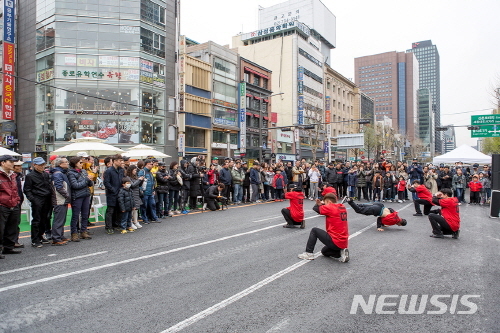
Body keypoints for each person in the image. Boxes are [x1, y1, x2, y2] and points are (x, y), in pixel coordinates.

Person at [297, 193, 349, 262]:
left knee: (314, 230)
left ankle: (308, 253)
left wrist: (318, 204)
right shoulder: (342, 206)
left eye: (325, 203)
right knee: (324, 252)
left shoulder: (330, 207)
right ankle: (341, 253)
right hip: (343, 242)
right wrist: (322, 204)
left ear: (329, 202)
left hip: (335, 239)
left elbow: (315, 208)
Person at [24, 157, 55, 247]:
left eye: (43, 164)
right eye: (40, 165)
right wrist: (33, 199)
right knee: (37, 219)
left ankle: (40, 236)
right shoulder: (30, 176)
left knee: (45, 219)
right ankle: (35, 239)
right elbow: (27, 189)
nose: (42, 166)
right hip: (37, 198)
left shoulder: (45, 174)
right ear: (34, 165)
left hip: (47, 198)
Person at [67, 156, 94, 242]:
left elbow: (89, 184)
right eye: (80, 163)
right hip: (77, 196)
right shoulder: (71, 173)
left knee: (85, 214)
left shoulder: (83, 171)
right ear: (75, 164)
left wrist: (90, 179)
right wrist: (86, 180)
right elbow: (75, 185)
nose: (82, 164)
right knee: (75, 215)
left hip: (86, 194)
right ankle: (74, 233)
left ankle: (83, 231)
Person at [0, 155, 22, 258]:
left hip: (14, 203)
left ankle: (8, 247)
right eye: (10, 161)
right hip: (2, 205)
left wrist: (17, 200)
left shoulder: (13, 175)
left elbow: (15, 190)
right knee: (1, 228)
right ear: (3, 163)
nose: (13, 163)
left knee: (12, 226)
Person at [50, 157, 72, 246]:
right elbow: (59, 187)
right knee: (59, 219)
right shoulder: (58, 174)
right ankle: (56, 238)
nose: (67, 163)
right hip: (59, 199)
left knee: (61, 219)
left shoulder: (61, 173)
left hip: (62, 199)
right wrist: (67, 195)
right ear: (60, 164)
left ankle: (60, 236)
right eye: (65, 162)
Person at [103, 154, 125, 234]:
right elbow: (106, 182)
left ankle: (116, 224)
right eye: (120, 161)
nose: (121, 162)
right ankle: (108, 227)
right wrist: (113, 190)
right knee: (110, 210)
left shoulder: (121, 170)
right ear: (114, 161)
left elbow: (123, 180)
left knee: (119, 209)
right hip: (112, 193)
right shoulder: (109, 171)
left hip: (120, 192)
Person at [138, 159, 160, 223]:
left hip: (150, 191)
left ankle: (154, 217)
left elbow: (152, 181)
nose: (152, 165)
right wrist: (141, 190)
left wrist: (153, 189)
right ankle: (145, 219)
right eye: (151, 164)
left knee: (152, 204)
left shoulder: (149, 172)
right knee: (144, 206)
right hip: (144, 192)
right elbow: (139, 182)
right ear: (147, 164)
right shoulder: (142, 172)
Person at [12, 160, 24, 248]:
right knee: (11, 223)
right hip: (10, 202)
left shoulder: (17, 176)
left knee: (16, 222)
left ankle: (14, 241)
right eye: (17, 166)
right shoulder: (11, 177)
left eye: (20, 166)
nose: (20, 167)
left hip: (17, 201)